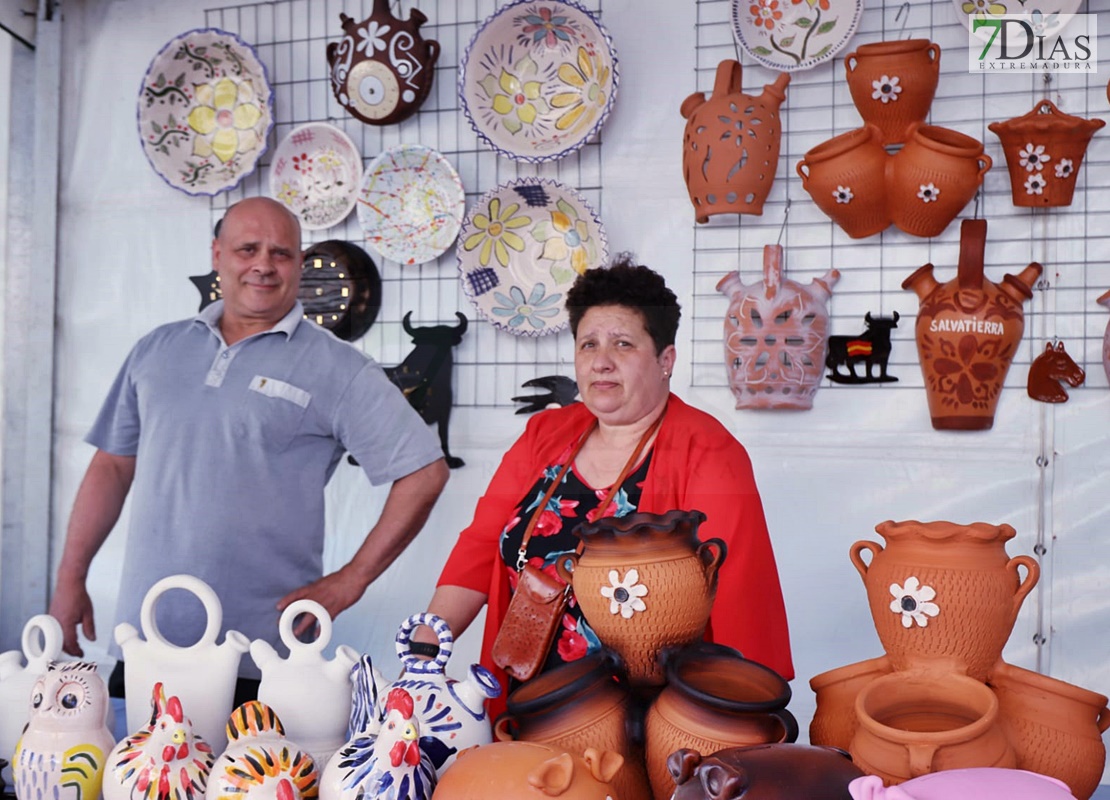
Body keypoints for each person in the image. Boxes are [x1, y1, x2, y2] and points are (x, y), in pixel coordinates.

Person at [49, 197, 449, 701]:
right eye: (247, 249)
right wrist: (70, 578)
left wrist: (351, 581)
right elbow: (110, 466)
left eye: (281, 253)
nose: (263, 264)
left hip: (258, 659)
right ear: (217, 254)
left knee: (254, 782)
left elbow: (424, 472)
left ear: (300, 265)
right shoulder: (158, 350)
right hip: (142, 643)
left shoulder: (339, 369)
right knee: (134, 781)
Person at [423, 255, 792, 714]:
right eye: (587, 345)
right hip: (524, 703)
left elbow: (740, 600)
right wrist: (423, 651)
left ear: (665, 360)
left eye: (622, 345)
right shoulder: (544, 435)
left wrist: (736, 727)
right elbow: (479, 548)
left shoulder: (710, 452)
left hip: (648, 720)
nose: (601, 362)